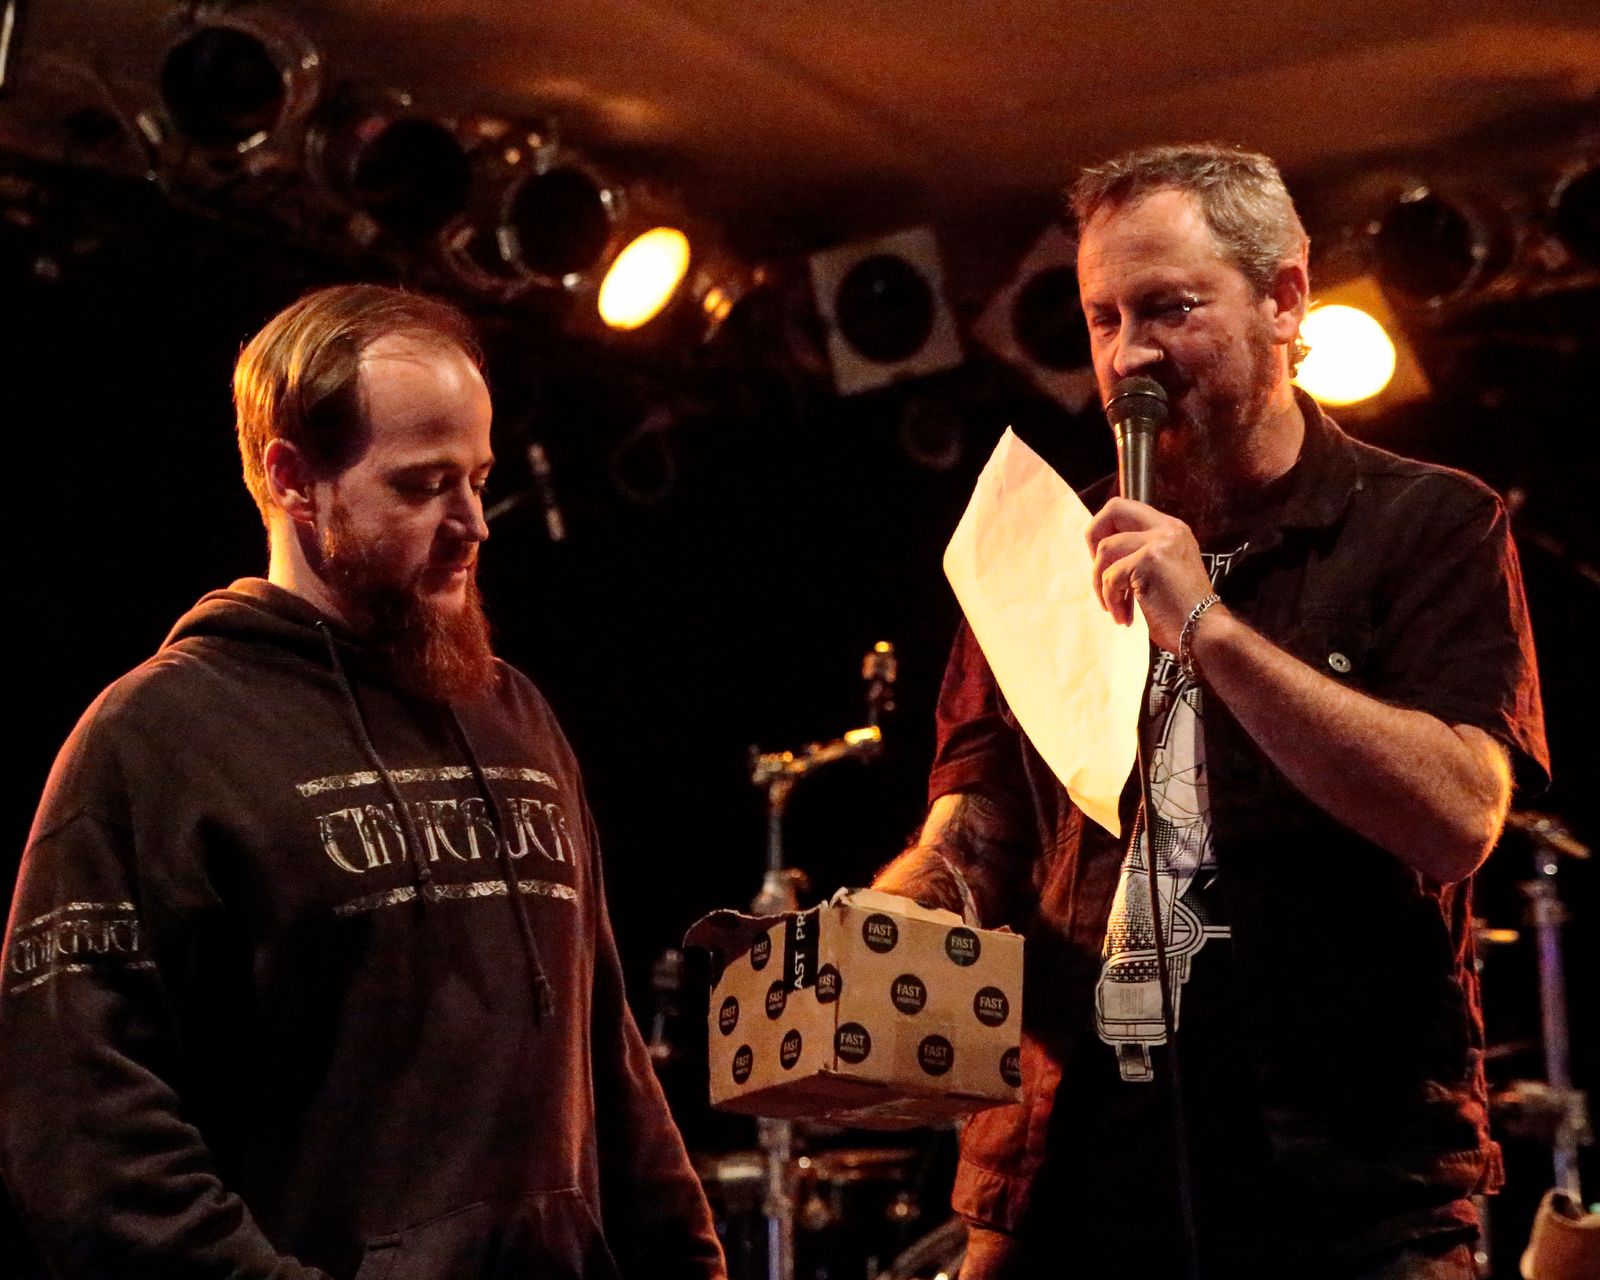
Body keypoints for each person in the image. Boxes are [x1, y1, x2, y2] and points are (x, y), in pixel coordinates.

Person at [876, 144, 1548, 1279]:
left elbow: (1456, 817)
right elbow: (979, 824)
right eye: (1103, 318)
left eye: (1169, 309)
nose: (1127, 354)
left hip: (1347, 1186)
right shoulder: (1041, 546)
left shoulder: (1429, 523)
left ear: (1284, 298)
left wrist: (1210, 628)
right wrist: (885, 924)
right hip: (1066, 1178)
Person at [0, 285, 726, 1280]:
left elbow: (606, 1048)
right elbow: (86, 1140)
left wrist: (686, 1259)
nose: (473, 522)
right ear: (293, 477)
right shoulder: (154, 739)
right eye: (425, 484)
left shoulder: (513, 714)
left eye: (478, 477)